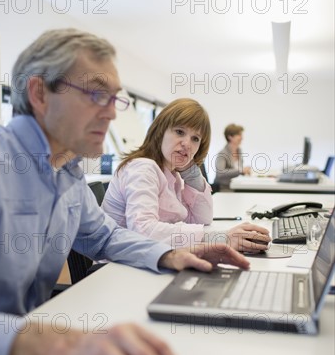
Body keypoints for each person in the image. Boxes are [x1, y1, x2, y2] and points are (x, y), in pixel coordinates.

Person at [0, 29, 251, 355]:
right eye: (96, 95)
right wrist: (68, 344)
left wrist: (169, 255)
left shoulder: (67, 174)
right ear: (39, 94)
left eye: (115, 98)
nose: (112, 111)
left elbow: (105, 237)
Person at [102, 101, 270, 252]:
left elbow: (201, 218)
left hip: (145, 256)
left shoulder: (172, 174)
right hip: (116, 267)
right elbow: (143, 230)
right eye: (180, 132)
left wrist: (191, 173)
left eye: (195, 138)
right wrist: (218, 238)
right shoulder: (143, 168)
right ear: (160, 131)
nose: (187, 144)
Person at [213, 123, 251, 192]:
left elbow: (237, 170)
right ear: (230, 137)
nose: (242, 138)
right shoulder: (222, 153)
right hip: (224, 188)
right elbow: (220, 173)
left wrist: (244, 170)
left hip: (237, 186)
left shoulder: (239, 150)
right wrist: (241, 170)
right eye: (239, 135)